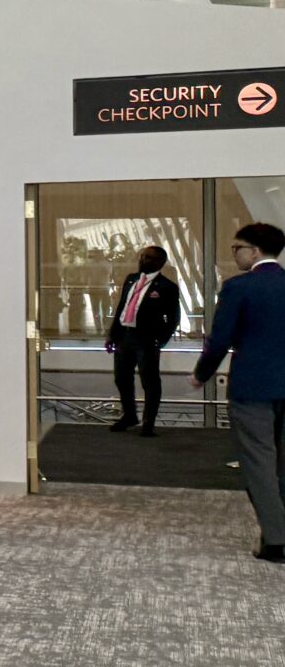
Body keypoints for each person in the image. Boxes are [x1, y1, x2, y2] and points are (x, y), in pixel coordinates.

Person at [194, 221, 285, 561]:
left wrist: (202, 373)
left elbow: (221, 339)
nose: (234, 254)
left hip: (252, 387)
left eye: (237, 248)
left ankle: (276, 539)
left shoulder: (238, 287)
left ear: (255, 251)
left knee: (259, 460)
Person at [105, 243, 181, 435]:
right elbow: (122, 307)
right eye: (142, 256)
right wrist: (112, 334)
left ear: (160, 262)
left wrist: (161, 340)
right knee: (121, 378)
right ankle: (129, 415)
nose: (142, 260)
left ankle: (149, 423)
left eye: (148, 257)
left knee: (150, 381)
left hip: (146, 339)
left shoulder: (167, 287)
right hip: (125, 336)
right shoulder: (131, 279)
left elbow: (173, 318)